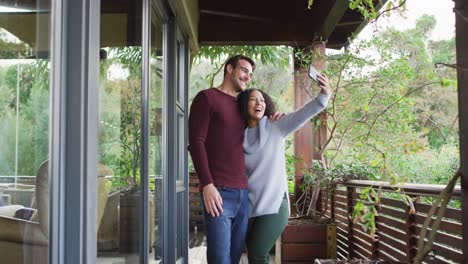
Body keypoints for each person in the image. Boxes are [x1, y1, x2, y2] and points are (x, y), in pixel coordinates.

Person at [237, 74, 332, 264]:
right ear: (243, 105)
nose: (259, 103)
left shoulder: (276, 126)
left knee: (257, 252)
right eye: (253, 99)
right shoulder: (238, 137)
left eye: (262, 100)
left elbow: (303, 113)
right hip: (249, 205)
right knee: (251, 254)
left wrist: (324, 96)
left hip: (275, 204)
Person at [187, 54, 255, 263]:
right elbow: (196, 142)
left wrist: (274, 114)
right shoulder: (206, 98)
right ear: (229, 69)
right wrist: (207, 184)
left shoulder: (244, 107)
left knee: (234, 258)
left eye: (251, 75)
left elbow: (263, 121)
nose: (248, 77)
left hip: (243, 194)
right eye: (244, 70)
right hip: (219, 193)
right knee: (219, 259)